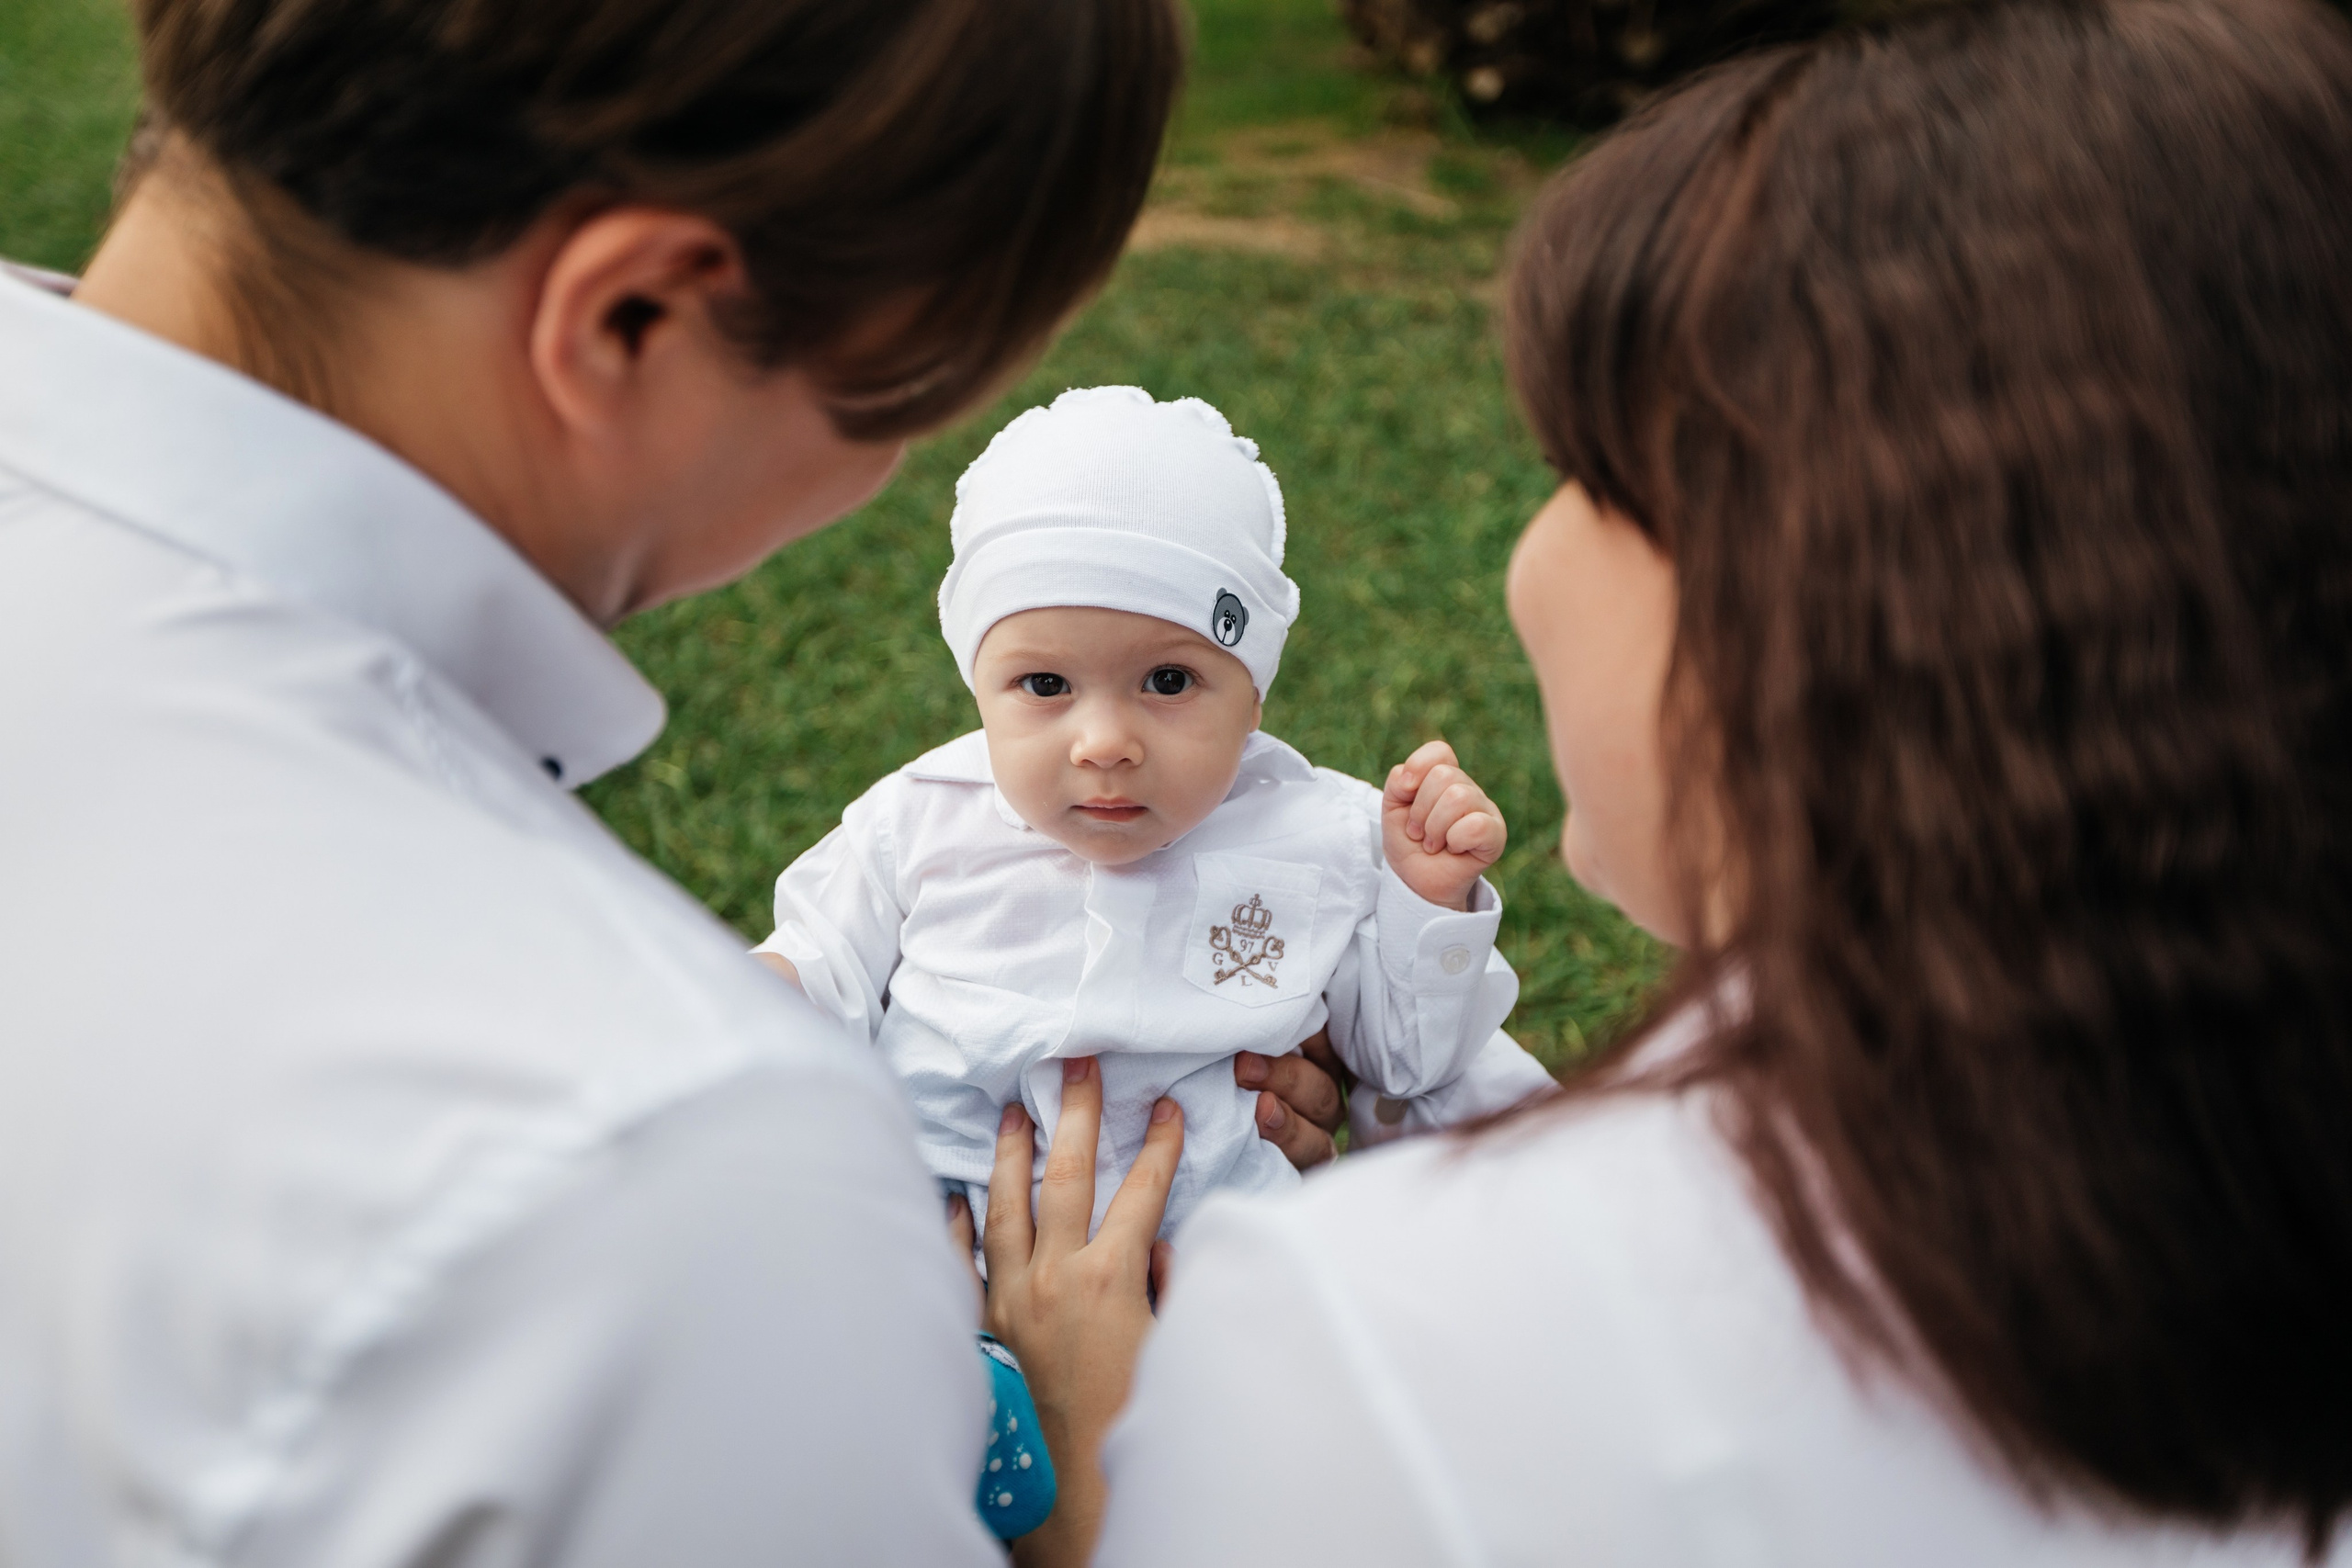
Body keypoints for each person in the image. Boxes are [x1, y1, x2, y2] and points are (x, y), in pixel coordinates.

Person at [971, 0, 2352, 1561]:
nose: (1529, 563)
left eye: (1586, 476)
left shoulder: (1386, 1341)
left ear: (1835, 604)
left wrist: (1094, 1469)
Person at [0, 0, 1346, 1560]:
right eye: (907, 396)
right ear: (632, 317)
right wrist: (1097, 1493)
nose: (878, 472)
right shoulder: (666, 1158)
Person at [753, 386, 1548, 1249]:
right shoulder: (917, 821)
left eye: (1168, 681)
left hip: (1211, 1294)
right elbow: (819, 967)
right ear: (977, 687)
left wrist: (1424, 901)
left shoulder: (1325, 839)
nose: (1103, 742)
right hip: (925, 1261)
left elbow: (1409, 1064)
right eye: (1045, 685)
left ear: (1254, 698)